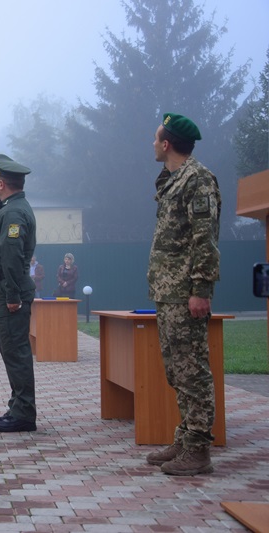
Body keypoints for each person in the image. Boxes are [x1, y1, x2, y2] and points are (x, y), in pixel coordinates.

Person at [145, 113, 221, 476]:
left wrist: (200, 290)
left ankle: (199, 449)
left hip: (185, 292)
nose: (152, 143)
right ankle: (185, 437)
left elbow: (204, 239)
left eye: (155, 138)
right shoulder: (172, 180)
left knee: (193, 371)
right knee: (177, 370)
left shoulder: (197, 179)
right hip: (168, 291)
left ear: (166, 144)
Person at [0, 154, 37, 433]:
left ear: (2, 183)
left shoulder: (14, 213)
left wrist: (13, 295)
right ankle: (18, 406)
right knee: (12, 351)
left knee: (16, 352)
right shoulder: (10, 209)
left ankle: (24, 413)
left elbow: (12, 254)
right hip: (7, 286)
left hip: (9, 287)